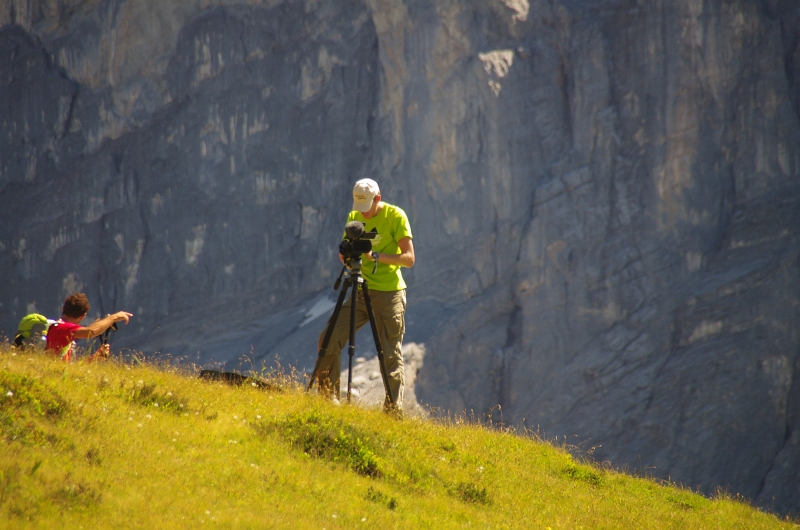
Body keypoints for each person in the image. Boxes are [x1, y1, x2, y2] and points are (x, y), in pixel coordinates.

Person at [314, 178, 415, 415]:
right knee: (328, 339)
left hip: (390, 294)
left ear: (378, 199)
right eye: (359, 207)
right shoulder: (354, 216)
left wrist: (376, 256)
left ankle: (393, 413)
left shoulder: (395, 216)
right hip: (360, 289)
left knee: (390, 354)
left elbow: (409, 259)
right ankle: (328, 401)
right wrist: (346, 257)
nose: (363, 214)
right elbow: (348, 247)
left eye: (367, 207)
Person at [46, 293, 133, 362]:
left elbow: (73, 370)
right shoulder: (63, 329)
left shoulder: (56, 328)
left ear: (63, 308)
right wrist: (114, 317)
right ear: (82, 316)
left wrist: (97, 356)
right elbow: (90, 332)